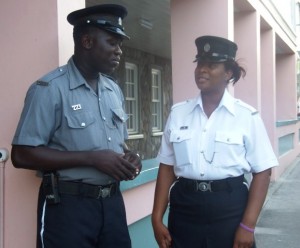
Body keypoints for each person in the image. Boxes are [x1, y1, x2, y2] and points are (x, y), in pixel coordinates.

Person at [11, 4, 141, 248]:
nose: (119, 51)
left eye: (120, 44)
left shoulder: (113, 90)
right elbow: (21, 154)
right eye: (112, 42)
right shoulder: (49, 89)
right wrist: (92, 159)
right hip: (69, 206)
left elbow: (119, 147)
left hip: (112, 204)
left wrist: (130, 159)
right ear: (87, 42)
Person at [151, 35, 278, 248]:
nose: (202, 69)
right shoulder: (178, 114)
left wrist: (248, 226)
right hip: (185, 209)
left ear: (228, 73)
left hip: (230, 209)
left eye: (211, 65)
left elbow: (263, 171)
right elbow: (166, 168)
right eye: (200, 63)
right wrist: (156, 218)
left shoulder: (246, 116)